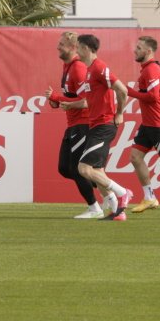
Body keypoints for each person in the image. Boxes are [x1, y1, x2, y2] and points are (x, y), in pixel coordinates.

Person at [59, 34, 131, 220]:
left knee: (83, 169)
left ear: (86, 49)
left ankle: (123, 193)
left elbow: (122, 90)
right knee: (96, 171)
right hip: (95, 125)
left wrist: (120, 113)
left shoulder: (99, 67)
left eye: (79, 47)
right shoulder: (90, 71)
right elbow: (86, 100)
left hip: (104, 125)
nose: (77, 51)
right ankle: (118, 212)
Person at [46, 32, 103, 219]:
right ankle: (100, 183)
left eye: (61, 44)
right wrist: (56, 101)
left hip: (83, 123)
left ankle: (95, 207)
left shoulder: (78, 68)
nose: (57, 47)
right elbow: (71, 98)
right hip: (72, 124)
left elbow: (86, 101)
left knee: (77, 169)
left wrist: (56, 98)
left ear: (73, 48)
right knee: (64, 168)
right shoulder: (67, 66)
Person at [124, 36, 160, 214]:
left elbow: (154, 96)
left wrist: (130, 92)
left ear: (148, 51)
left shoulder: (152, 69)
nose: (135, 50)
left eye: (138, 48)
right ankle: (149, 197)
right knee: (135, 158)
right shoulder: (151, 68)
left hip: (159, 124)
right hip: (148, 124)